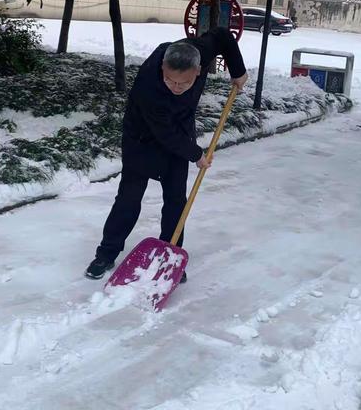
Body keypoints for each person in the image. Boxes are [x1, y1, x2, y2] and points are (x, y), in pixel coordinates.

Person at [85, 27, 247, 282]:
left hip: (179, 131)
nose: (177, 87)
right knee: (129, 198)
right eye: (171, 80)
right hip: (142, 137)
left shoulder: (199, 52)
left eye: (185, 82)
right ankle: (106, 253)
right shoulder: (149, 86)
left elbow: (223, 37)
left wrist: (238, 71)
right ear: (162, 67)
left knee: (175, 200)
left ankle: (169, 253)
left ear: (199, 70)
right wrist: (196, 154)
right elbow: (164, 132)